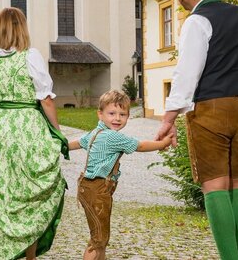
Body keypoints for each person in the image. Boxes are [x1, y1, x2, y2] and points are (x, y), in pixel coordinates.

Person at [154, 0, 238, 260]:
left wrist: (168, 118)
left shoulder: (197, 21)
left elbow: (187, 73)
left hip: (212, 107)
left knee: (215, 184)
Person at [0, 7, 67, 260]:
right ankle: (30, 257)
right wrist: (57, 132)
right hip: (28, 126)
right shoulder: (30, 57)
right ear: (22, 29)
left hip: (0, 127)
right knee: (30, 192)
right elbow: (45, 99)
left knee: (1, 193)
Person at [70, 90, 174, 260]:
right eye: (112, 113)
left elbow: (76, 143)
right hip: (96, 190)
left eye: (122, 114)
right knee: (98, 239)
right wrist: (163, 143)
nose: (117, 118)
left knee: (101, 236)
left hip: (90, 189)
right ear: (100, 114)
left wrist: (58, 145)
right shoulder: (111, 137)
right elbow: (139, 146)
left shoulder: (95, 133)